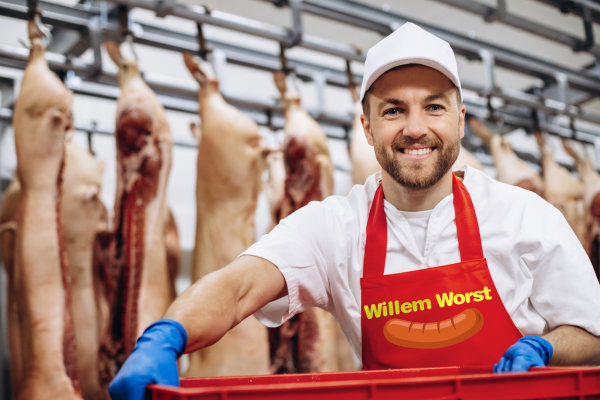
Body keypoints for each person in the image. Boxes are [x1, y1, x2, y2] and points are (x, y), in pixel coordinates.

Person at [109, 22, 600, 400]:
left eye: (434, 107)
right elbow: (237, 288)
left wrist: (545, 348)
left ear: (460, 120)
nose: (415, 128)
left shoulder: (524, 217)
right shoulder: (335, 228)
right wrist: (166, 335)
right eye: (393, 110)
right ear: (367, 127)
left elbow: (593, 335)